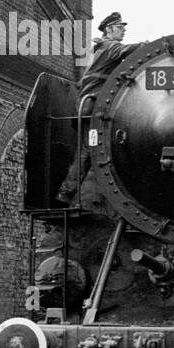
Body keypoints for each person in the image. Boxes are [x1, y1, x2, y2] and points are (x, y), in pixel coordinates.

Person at [56, 12, 137, 205]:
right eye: (120, 27)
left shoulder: (99, 49)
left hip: (89, 107)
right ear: (109, 29)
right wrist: (154, 44)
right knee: (90, 149)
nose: (124, 30)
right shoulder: (110, 47)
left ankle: (72, 193)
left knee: (91, 149)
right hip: (93, 109)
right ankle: (66, 193)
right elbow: (130, 50)